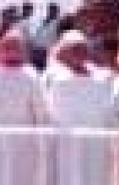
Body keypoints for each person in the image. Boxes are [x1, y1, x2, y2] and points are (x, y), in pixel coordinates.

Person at [0, 31, 49, 185]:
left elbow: (41, 112)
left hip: (22, 142)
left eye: (15, 47)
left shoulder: (31, 76)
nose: (12, 50)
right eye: (9, 46)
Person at [46, 30, 115, 185]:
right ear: (64, 52)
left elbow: (109, 108)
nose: (79, 53)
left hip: (96, 140)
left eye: (82, 48)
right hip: (66, 140)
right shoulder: (54, 76)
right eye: (75, 49)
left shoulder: (103, 76)